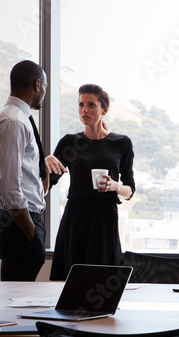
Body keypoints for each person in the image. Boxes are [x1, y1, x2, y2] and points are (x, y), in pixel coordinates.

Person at [44, 84, 135, 281]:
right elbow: (45, 186)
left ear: (104, 110)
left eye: (91, 105)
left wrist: (115, 186)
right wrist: (45, 162)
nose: (84, 110)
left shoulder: (122, 143)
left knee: (102, 279)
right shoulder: (69, 142)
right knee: (70, 280)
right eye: (81, 105)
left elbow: (129, 190)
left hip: (105, 217)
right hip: (76, 218)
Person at [0, 60, 49, 281]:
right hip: (19, 224)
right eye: (46, 87)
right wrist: (31, 233)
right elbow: (9, 188)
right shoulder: (15, 121)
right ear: (37, 84)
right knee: (16, 304)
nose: (44, 93)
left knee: (18, 301)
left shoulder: (13, 117)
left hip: (18, 223)